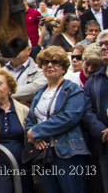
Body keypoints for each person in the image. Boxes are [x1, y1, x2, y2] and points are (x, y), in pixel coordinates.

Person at [25, 46, 90, 192]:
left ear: (64, 68)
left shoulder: (73, 90)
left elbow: (69, 117)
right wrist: (32, 133)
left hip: (68, 152)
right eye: (45, 62)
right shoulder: (39, 93)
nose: (49, 65)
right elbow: (30, 118)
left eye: (55, 62)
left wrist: (38, 131)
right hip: (43, 153)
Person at [84, 32, 108, 192]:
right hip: (104, 146)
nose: (104, 48)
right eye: (101, 45)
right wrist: (102, 132)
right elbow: (87, 111)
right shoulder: (93, 80)